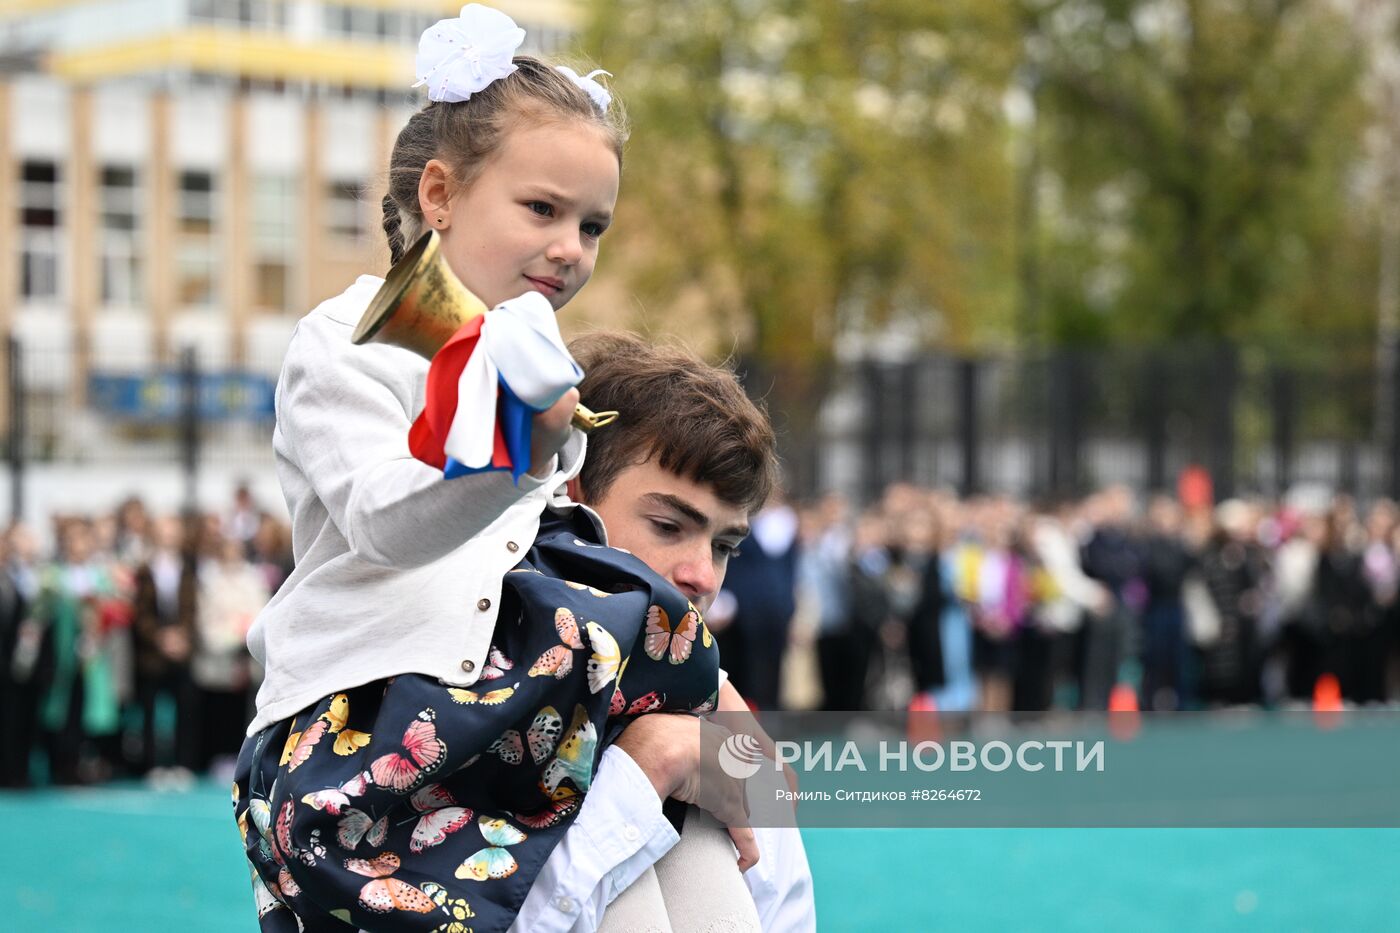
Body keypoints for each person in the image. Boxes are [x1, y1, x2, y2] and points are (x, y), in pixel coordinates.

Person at [233, 7, 794, 931]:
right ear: (442, 194)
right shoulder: (348, 338)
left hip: (530, 724)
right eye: (543, 208)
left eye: (594, 224)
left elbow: (570, 575)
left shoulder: (534, 362)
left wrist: (717, 699)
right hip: (377, 742)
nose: (572, 246)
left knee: (718, 901)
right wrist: (519, 450)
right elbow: (383, 522)